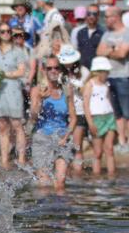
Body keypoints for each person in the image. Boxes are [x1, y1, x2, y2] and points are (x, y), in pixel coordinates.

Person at [29, 55, 77, 192]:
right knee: (44, 184)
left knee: (60, 182)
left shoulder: (67, 90)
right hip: (42, 137)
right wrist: (39, 99)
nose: (53, 71)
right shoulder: (37, 90)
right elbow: (33, 117)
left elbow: (73, 118)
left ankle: (61, 211)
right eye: (49, 68)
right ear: (44, 70)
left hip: (62, 136)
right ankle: (46, 211)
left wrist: (66, 136)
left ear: (60, 70)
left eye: (56, 68)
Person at [97, 7, 129, 154]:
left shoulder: (128, 33)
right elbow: (99, 52)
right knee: (117, 113)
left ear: (115, 17)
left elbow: (122, 53)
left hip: (124, 76)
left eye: (107, 17)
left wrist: (110, 50)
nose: (105, 19)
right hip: (110, 77)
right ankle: (121, 141)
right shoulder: (107, 34)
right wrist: (113, 49)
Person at [0, 23, 29, 169]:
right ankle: (4, 159)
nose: (6, 34)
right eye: (3, 31)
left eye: (8, 31)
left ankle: (21, 158)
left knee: (17, 125)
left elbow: (21, 71)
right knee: (2, 125)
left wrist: (3, 73)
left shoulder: (18, 51)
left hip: (13, 91)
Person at [82, 57, 118, 177]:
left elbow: (107, 100)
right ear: (99, 71)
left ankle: (112, 176)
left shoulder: (106, 84)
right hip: (96, 118)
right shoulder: (90, 84)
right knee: (97, 152)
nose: (107, 74)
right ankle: (96, 177)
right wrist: (90, 123)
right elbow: (86, 105)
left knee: (110, 149)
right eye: (105, 72)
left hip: (109, 116)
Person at [59, 45, 89, 175]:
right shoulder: (60, 74)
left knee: (77, 146)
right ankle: (68, 172)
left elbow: (88, 92)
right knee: (65, 146)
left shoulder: (84, 71)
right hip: (65, 113)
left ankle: (78, 174)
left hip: (80, 111)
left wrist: (76, 86)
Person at [72, 5, 103, 70]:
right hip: (82, 70)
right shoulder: (79, 32)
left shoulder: (103, 33)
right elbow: (75, 50)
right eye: (89, 14)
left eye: (94, 14)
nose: (91, 16)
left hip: (97, 69)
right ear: (85, 15)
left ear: (98, 16)